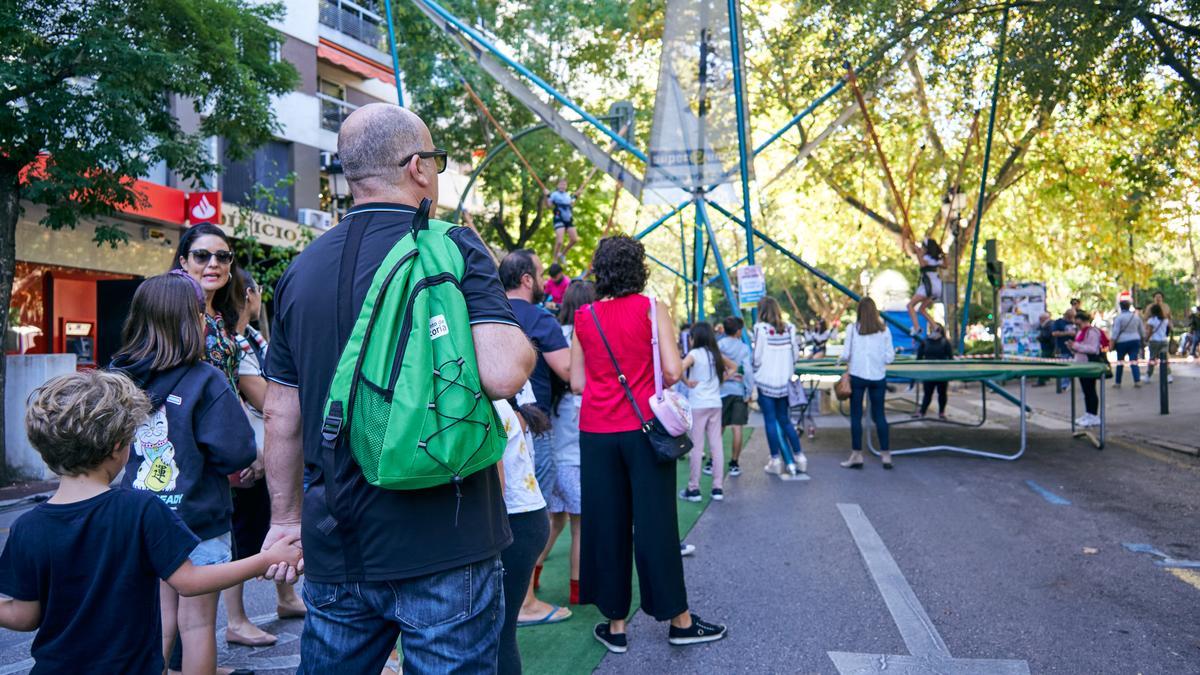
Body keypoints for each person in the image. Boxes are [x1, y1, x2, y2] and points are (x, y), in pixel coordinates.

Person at [260, 104, 535, 673]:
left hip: (336, 542)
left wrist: (284, 521)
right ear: (417, 167)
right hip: (446, 538)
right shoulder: (451, 247)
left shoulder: (298, 270)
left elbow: (281, 416)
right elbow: (506, 371)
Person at [0, 370, 301, 674]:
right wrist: (266, 560)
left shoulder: (27, 528)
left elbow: (24, 616)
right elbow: (190, 581)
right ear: (119, 446)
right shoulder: (140, 510)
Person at [570, 235, 726, 654]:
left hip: (597, 433)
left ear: (599, 271)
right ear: (639, 269)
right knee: (656, 523)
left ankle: (616, 626)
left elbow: (577, 382)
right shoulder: (653, 309)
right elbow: (674, 372)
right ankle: (679, 620)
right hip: (645, 430)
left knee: (608, 525)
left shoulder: (584, 316)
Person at [109, 273, 259, 675]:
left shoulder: (120, 378)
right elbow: (238, 450)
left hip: (140, 518)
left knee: (158, 622)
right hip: (199, 519)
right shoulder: (205, 379)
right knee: (197, 624)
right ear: (191, 322)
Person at [221, 270, 306, 649]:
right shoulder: (233, 344)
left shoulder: (251, 339)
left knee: (271, 522)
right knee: (241, 537)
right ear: (250, 295)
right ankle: (237, 620)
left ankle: (286, 597)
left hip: (264, 448)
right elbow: (268, 400)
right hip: (246, 452)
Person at [494, 396, 568, 674]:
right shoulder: (502, 403)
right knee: (500, 630)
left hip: (516, 522)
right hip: (524, 519)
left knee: (499, 632)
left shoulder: (490, 405)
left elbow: (497, 484)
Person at [539, 281, 596, 606]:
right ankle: (579, 590)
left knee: (555, 520)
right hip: (577, 450)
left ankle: (531, 577)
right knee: (580, 525)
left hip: (553, 444)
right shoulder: (588, 337)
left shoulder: (554, 336)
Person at [501, 249, 571, 500]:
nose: (544, 282)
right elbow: (568, 371)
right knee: (536, 499)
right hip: (534, 424)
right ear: (527, 280)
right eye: (540, 274)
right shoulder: (541, 319)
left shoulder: (485, 314)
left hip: (491, 424)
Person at [171, 223, 244, 391]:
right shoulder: (171, 311)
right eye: (201, 255)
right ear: (184, 262)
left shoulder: (224, 315)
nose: (213, 263)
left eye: (222, 256)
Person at [680, 321, 735, 503]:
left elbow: (678, 368)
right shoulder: (715, 354)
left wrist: (686, 382)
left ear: (695, 337)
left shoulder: (694, 354)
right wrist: (722, 379)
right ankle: (717, 488)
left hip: (698, 404)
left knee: (696, 446)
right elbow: (733, 366)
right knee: (716, 445)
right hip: (715, 403)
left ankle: (693, 489)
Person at [839, 297, 896, 469]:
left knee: (856, 416)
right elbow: (889, 357)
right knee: (880, 416)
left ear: (859, 312)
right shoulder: (884, 330)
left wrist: (840, 361)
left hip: (858, 376)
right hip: (878, 377)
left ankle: (857, 455)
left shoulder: (853, 329)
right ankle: (886, 455)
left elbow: (845, 354)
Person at [752, 297, 806, 478]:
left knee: (770, 420)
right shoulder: (790, 327)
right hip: (785, 381)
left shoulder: (760, 329)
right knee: (785, 419)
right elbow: (796, 355)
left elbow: (757, 357)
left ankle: (775, 460)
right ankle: (800, 457)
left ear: (761, 311)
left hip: (766, 381)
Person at [717, 317, 754, 477]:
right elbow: (748, 372)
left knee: (718, 428)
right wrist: (748, 391)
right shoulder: (744, 348)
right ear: (739, 331)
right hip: (738, 390)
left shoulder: (719, 346)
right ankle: (734, 463)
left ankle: (713, 461)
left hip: (721, 390)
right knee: (737, 428)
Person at [1066, 310, 1103, 427]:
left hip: (1089, 364)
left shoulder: (1092, 332)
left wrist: (1076, 346)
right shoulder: (1081, 332)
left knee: (1090, 390)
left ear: (1084, 321)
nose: (1077, 326)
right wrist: (1072, 347)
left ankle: (1093, 415)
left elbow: (1093, 349)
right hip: (1081, 363)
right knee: (1086, 390)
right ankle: (1089, 413)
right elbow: (1080, 348)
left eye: (1078, 323)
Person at [913, 323, 953, 419]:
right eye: (932, 328)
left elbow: (950, 358)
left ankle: (941, 412)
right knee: (927, 393)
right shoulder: (925, 342)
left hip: (942, 373)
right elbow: (919, 358)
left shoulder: (945, 342)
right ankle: (922, 412)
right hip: (929, 373)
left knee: (942, 393)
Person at [907, 238, 945, 336]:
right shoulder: (937, 259)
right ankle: (935, 327)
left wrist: (919, 254)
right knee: (922, 309)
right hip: (937, 287)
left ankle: (916, 327)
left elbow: (923, 265)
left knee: (910, 305)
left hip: (928, 287)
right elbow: (945, 265)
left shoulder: (927, 258)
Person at [1110, 298, 1144, 388]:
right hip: (1135, 340)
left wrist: (1111, 343)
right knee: (1134, 361)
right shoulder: (1136, 317)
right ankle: (1137, 380)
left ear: (1120, 307)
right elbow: (1142, 331)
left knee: (1120, 362)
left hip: (1121, 342)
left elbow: (1115, 332)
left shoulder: (1119, 318)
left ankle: (1118, 382)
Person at [546, 178, 580, 263]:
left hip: (568, 218)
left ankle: (563, 254)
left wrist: (576, 196)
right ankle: (555, 260)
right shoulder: (554, 194)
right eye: (561, 184)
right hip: (559, 218)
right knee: (559, 241)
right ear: (557, 185)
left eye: (564, 184)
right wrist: (546, 196)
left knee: (574, 239)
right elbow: (549, 206)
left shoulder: (567, 195)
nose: (562, 186)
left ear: (566, 186)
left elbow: (571, 204)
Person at [1145, 303, 1173, 383]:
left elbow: (1149, 331)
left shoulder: (1151, 320)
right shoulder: (1165, 320)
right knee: (1165, 359)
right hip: (1164, 341)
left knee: (1152, 359)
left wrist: (1146, 339)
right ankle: (1169, 376)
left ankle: (1148, 376)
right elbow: (1170, 327)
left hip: (1154, 341)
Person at [1051, 308, 1078, 391]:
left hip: (1074, 348)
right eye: (1070, 317)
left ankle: (1066, 383)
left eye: (1073, 317)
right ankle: (1063, 385)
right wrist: (1067, 333)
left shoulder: (1075, 322)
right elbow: (1054, 333)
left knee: (1072, 367)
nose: (1071, 319)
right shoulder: (1058, 322)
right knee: (1063, 367)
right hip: (1062, 348)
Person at [1034, 312, 1056, 387]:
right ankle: (1045, 378)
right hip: (1049, 347)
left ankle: (1042, 380)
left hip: (1048, 347)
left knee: (1043, 364)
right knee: (1046, 364)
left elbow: (1046, 336)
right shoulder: (1049, 324)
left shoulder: (1049, 325)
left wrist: (1039, 338)